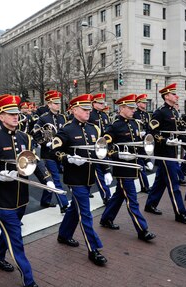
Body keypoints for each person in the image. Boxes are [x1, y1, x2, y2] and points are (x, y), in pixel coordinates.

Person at [0, 94, 54, 287]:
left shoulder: (25, 138)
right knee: (16, 240)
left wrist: (47, 180)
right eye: (10, 114)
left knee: (8, 233)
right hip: (4, 200)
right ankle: (29, 280)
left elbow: (34, 162)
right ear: (1, 116)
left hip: (22, 198)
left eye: (16, 113)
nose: (15, 116)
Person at [51, 94, 111, 266]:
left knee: (74, 209)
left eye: (88, 109)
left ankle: (64, 234)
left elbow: (101, 152)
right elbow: (54, 151)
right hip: (75, 178)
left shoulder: (94, 129)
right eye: (84, 109)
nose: (88, 112)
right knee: (85, 213)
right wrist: (67, 158)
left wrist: (106, 169)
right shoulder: (66, 129)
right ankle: (94, 249)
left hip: (89, 176)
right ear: (74, 110)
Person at [99, 94, 156, 241]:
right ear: (122, 108)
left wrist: (147, 158)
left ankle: (106, 218)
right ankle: (142, 229)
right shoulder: (114, 126)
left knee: (119, 195)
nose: (133, 110)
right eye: (130, 108)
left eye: (133, 108)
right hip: (123, 168)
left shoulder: (135, 124)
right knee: (132, 200)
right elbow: (106, 145)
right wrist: (117, 155)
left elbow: (139, 144)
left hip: (133, 165)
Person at [144, 83, 186, 223]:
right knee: (174, 184)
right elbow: (152, 133)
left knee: (160, 181)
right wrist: (165, 140)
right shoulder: (160, 112)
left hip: (173, 152)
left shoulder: (175, 111)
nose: (176, 96)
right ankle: (180, 213)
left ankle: (150, 204)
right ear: (166, 96)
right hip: (165, 153)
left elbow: (180, 132)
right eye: (174, 94)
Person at [32, 90, 69, 213]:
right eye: (55, 103)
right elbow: (35, 133)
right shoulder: (43, 118)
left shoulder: (63, 117)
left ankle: (45, 200)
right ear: (49, 104)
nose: (58, 105)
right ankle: (64, 205)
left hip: (61, 152)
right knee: (55, 178)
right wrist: (45, 143)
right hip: (48, 153)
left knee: (55, 179)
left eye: (59, 103)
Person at [88, 93, 112, 203]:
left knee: (101, 170)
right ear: (94, 103)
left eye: (103, 102)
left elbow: (108, 130)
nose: (102, 104)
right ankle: (106, 196)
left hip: (103, 146)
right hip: (94, 147)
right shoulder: (90, 115)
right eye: (100, 102)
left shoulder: (104, 115)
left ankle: (87, 190)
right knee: (98, 172)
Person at [133, 93, 153, 193]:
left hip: (144, 141)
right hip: (136, 142)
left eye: (145, 102)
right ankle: (145, 186)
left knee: (141, 164)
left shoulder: (146, 114)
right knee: (140, 166)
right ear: (138, 103)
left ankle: (145, 185)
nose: (145, 104)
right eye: (143, 102)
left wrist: (147, 135)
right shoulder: (134, 114)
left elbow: (149, 128)